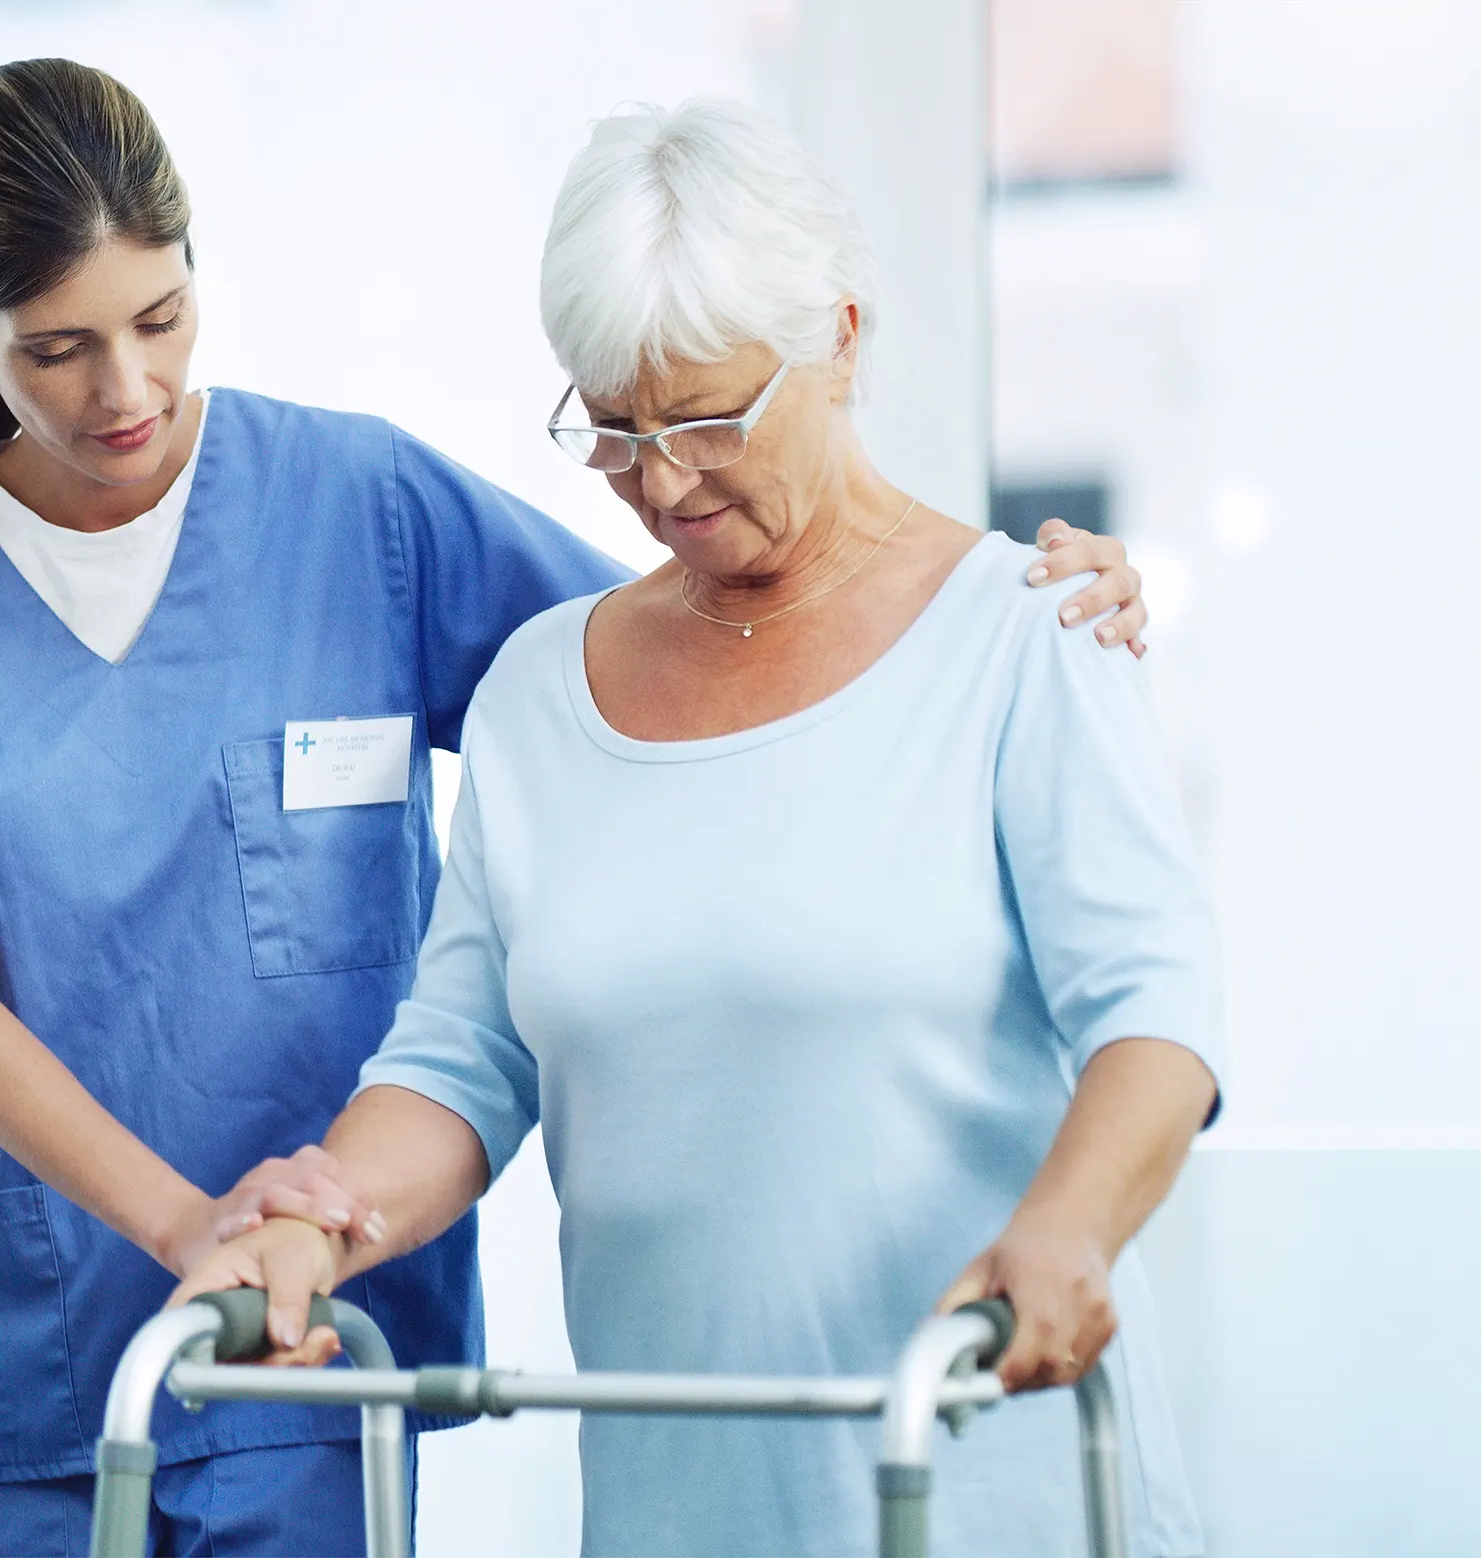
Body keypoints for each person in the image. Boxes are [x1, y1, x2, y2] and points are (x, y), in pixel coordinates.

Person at [0, 62, 1151, 1557]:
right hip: (35, 1335)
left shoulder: (363, 508)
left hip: (311, 1330)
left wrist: (977, 606)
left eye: (160, 321)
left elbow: (718, 653)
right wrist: (194, 1230)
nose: (127, 391)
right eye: (61, 350)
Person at [173, 99, 1220, 1557]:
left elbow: (1155, 1016)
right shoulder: (545, 690)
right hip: (685, 1503)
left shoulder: (1027, 634)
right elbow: (461, 1058)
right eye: (613, 428)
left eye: (710, 419)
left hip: (988, 1471)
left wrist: (1072, 1226)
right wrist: (320, 1217)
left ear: (843, 338)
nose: (662, 481)